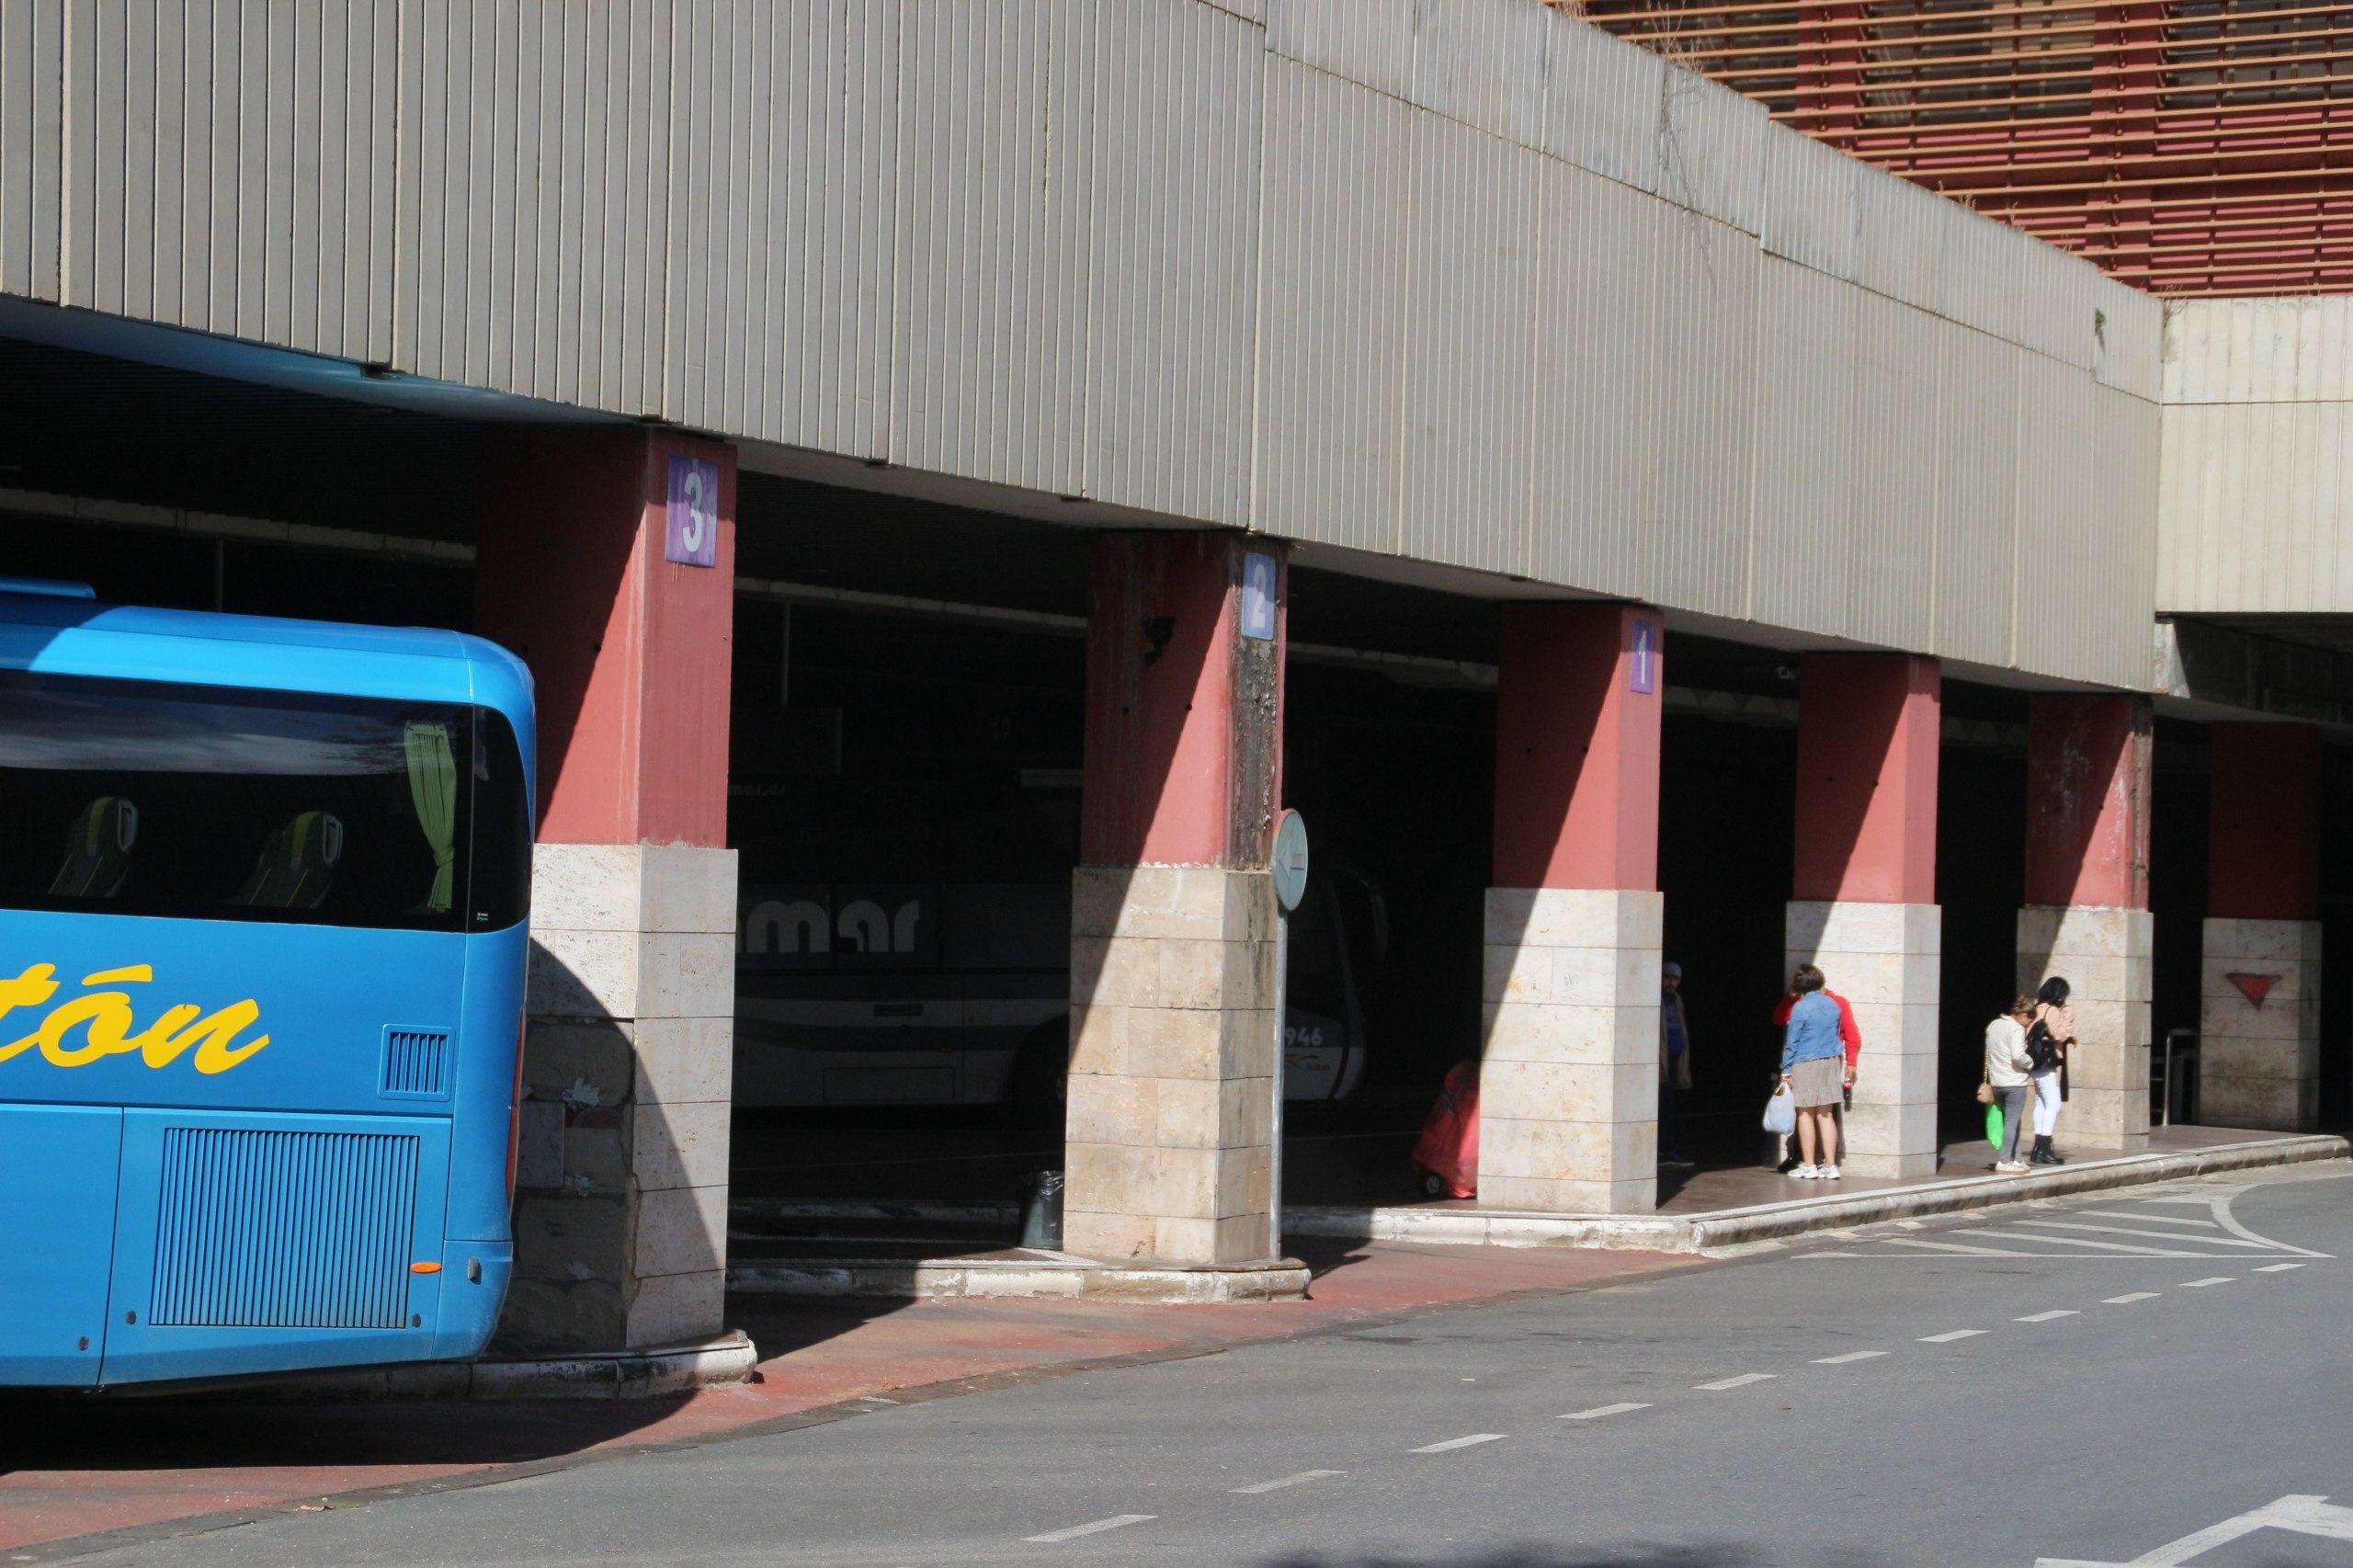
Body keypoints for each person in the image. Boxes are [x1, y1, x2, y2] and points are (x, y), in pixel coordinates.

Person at [1778, 964, 1847, 1179]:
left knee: (1805, 1113)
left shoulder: (1801, 1007)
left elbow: (1793, 1041)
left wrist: (1786, 1069)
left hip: (1805, 1061)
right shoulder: (1833, 1005)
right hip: (1829, 1061)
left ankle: (1809, 1165)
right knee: (1826, 1114)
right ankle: (1831, 1164)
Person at [1984, 994, 2038, 1174]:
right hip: (2014, 1081)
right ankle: (2005, 1160)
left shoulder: (1994, 1025)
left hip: (1997, 1081)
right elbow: (2018, 1055)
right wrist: (2031, 1063)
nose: (2029, 1025)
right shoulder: (2016, 1029)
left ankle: (2018, 1159)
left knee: (2012, 1122)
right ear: (2025, 1015)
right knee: (2012, 1122)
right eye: (2030, 1021)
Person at [2028, 975, 2076, 1165]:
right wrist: (2069, 1019)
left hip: (2035, 1062)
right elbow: (2059, 1034)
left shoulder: (2036, 1008)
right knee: (2054, 1104)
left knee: (2041, 1102)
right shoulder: (2053, 1010)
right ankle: (2045, 1146)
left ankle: (2037, 1148)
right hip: (2048, 1063)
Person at [1659, 961, 1695, 1169]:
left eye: (1675, 979)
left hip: (1675, 1055)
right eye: (1667, 977)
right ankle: (1664, 1150)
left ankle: (1668, 1149)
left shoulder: (1676, 999)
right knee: (1662, 1105)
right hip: (1660, 1059)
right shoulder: (1658, 998)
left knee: (1669, 1106)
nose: (1671, 982)